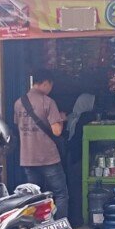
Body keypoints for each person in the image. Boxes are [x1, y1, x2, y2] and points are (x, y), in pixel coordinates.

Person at [14, 69, 69, 219]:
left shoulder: (19, 103)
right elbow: (56, 131)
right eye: (50, 86)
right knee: (60, 194)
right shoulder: (48, 102)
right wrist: (62, 119)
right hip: (48, 158)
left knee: (34, 197)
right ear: (45, 83)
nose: (50, 89)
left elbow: (18, 125)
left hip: (27, 158)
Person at [64, 93, 97, 227]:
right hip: (79, 157)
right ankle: (78, 218)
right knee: (78, 188)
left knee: (74, 188)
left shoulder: (72, 116)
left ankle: (75, 218)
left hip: (72, 156)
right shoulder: (85, 118)